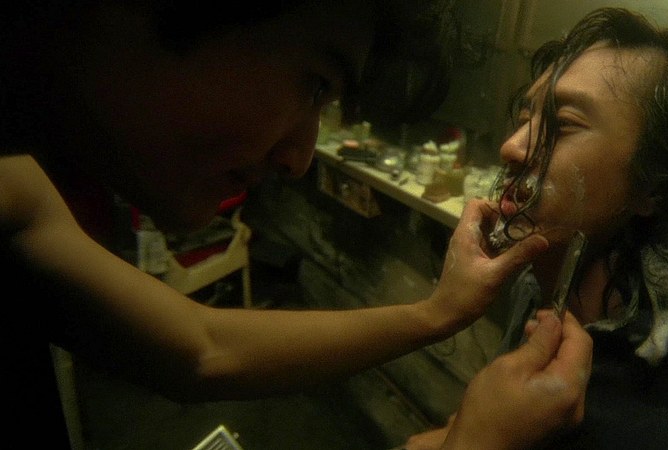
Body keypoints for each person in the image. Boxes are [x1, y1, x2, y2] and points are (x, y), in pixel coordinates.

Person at [0, 1, 593, 448]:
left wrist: (439, 312)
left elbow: (201, 349)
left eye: (564, 125)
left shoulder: (19, 197)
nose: (300, 159)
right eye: (315, 83)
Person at [404, 7, 668, 450]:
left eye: (563, 125)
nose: (512, 147)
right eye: (524, 120)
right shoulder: (536, 295)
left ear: (655, 188)